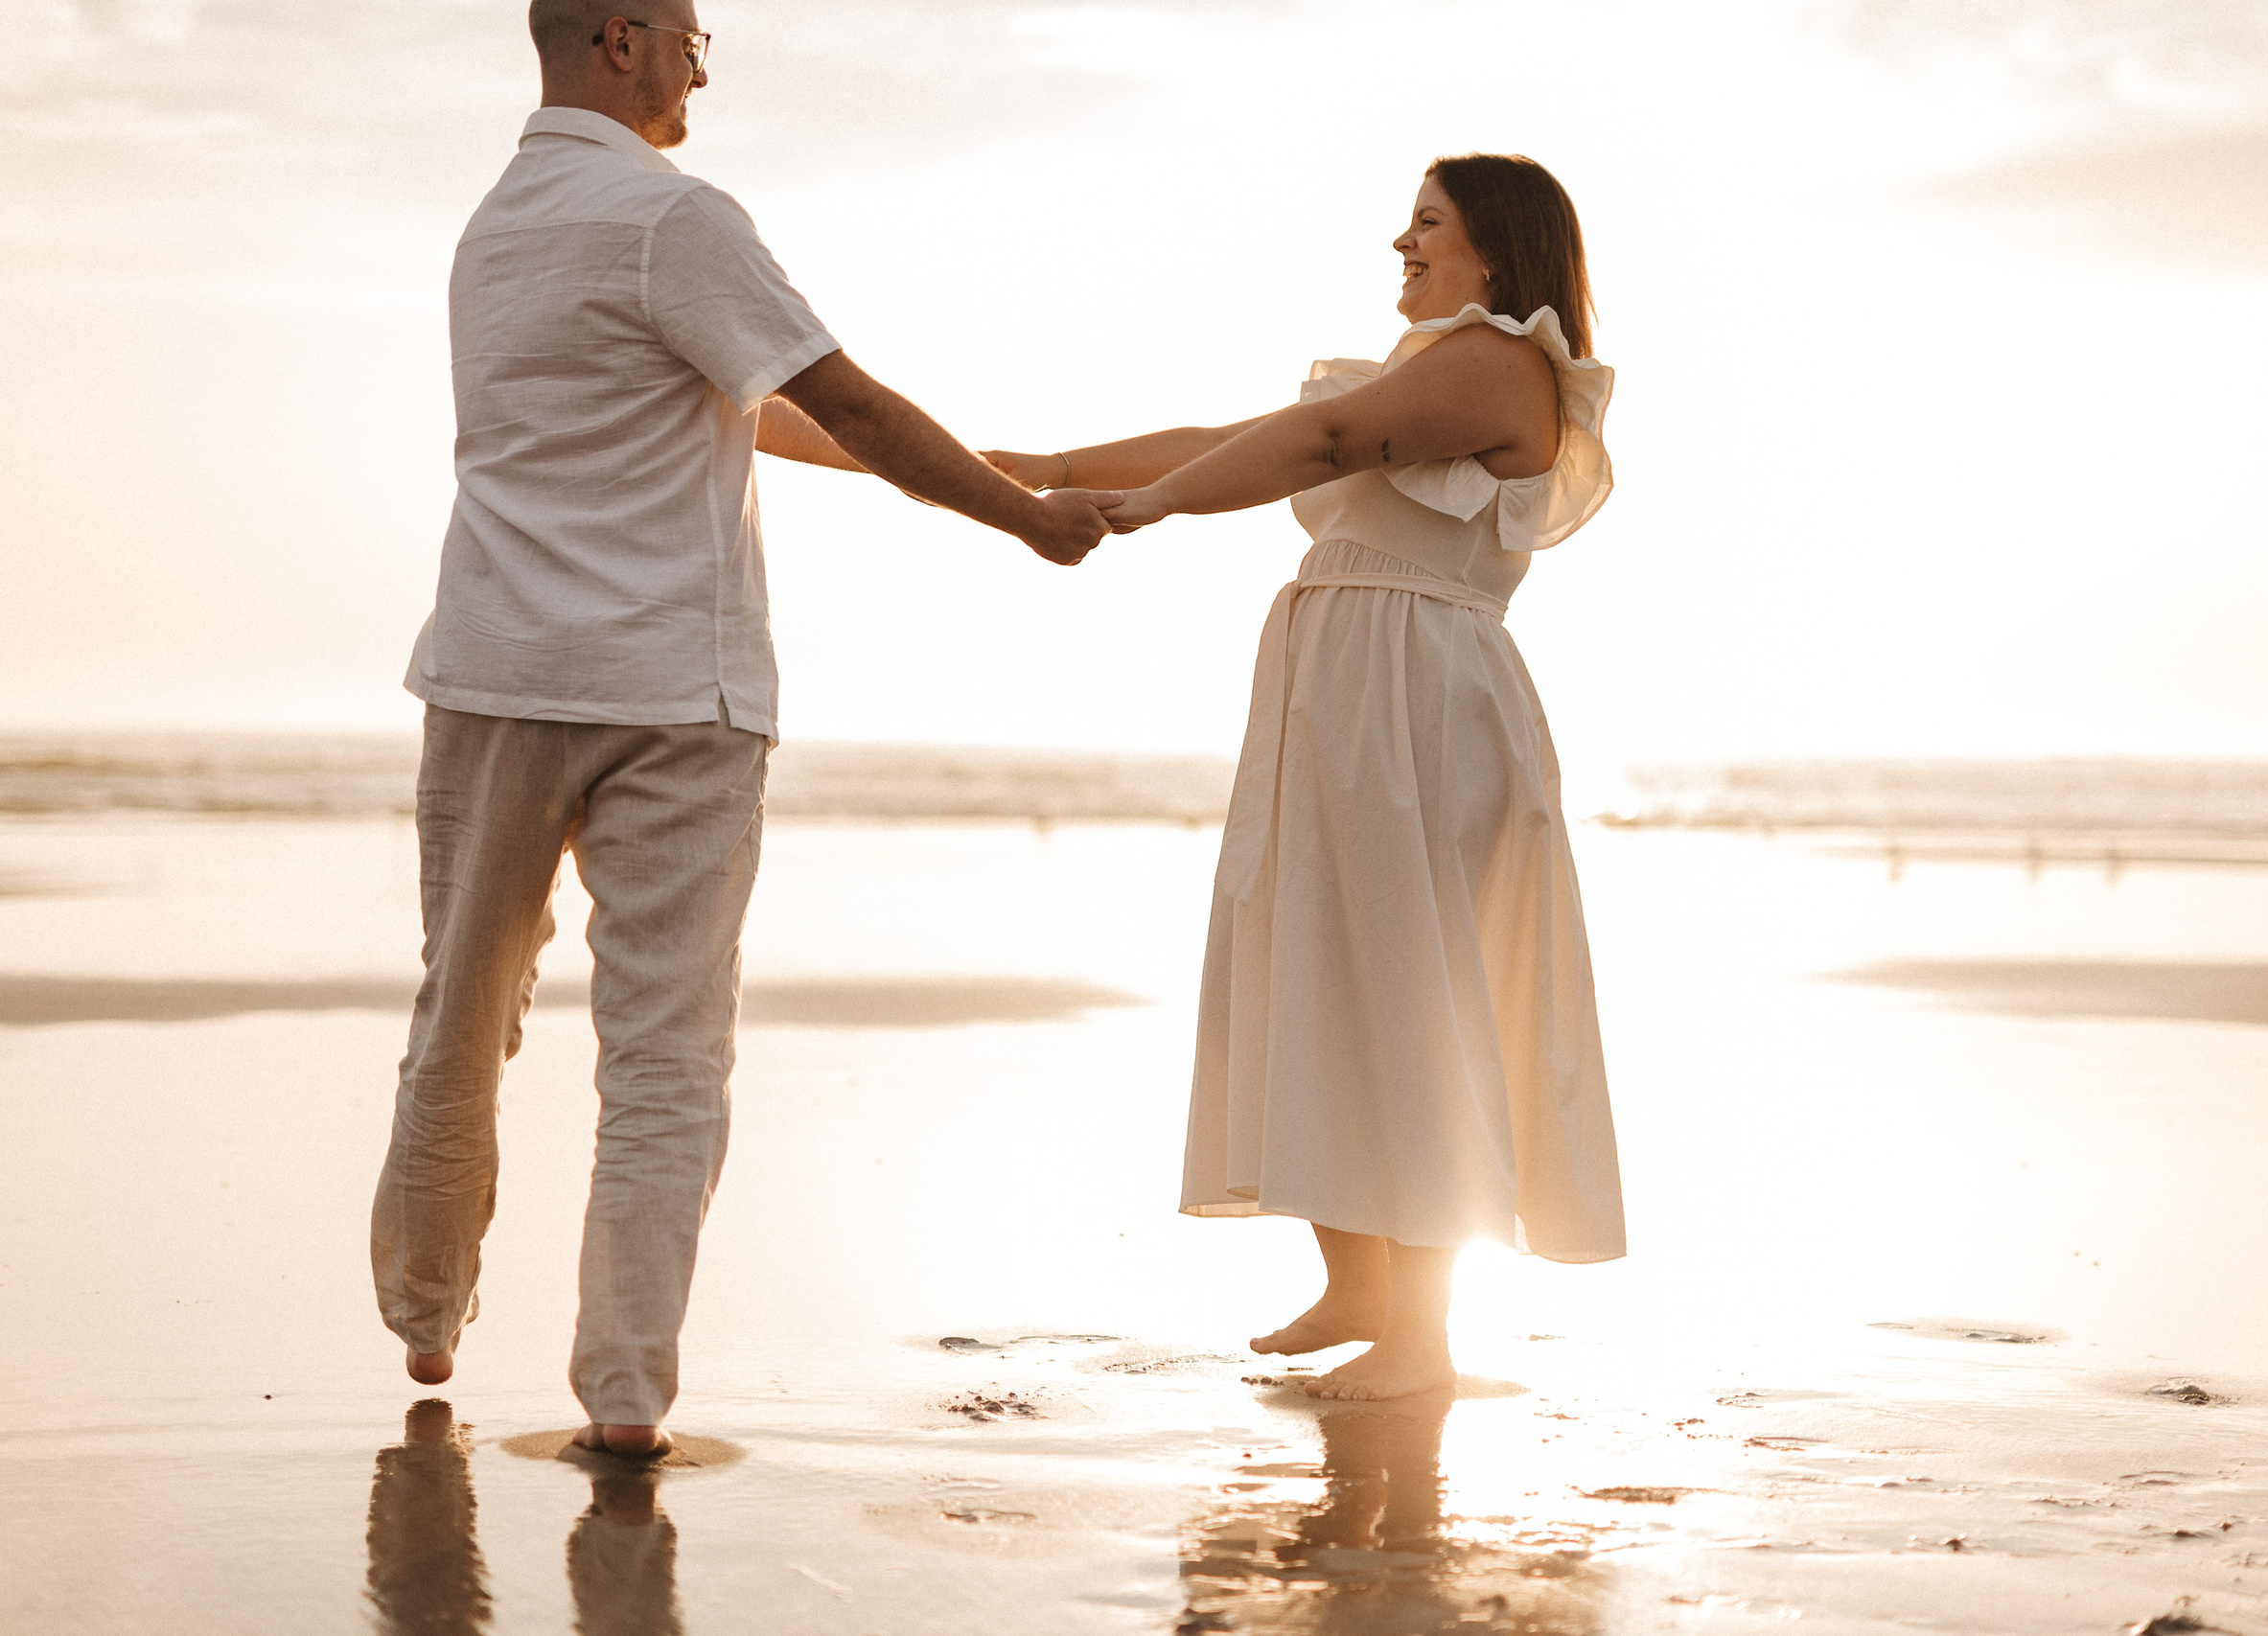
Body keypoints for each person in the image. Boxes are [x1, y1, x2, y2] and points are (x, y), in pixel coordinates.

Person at [371, 0, 1111, 1459]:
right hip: (673, 695)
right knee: (664, 1051)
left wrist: (985, 463)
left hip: (493, 671)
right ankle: (629, 1395)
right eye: (698, 38)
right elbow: (847, 400)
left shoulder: (494, 227)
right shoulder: (674, 218)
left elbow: (732, 409)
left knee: (461, 1021)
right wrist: (1023, 519)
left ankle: (425, 1310)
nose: (709, 66)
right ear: (626, 40)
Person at [987, 153, 1626, 1402]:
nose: (1402, 241)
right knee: (1321, 963)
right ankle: (1363, 1285)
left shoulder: (1502, 363)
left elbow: (1318, 443)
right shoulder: (1421, 367)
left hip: (1419, 705)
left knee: (1409, 989)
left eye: (1428, 223)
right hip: (1345, 692)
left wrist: (1152, 509)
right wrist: (1057, 466)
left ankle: (1422, 1342)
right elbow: (1249, 437)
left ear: (1497, 248)